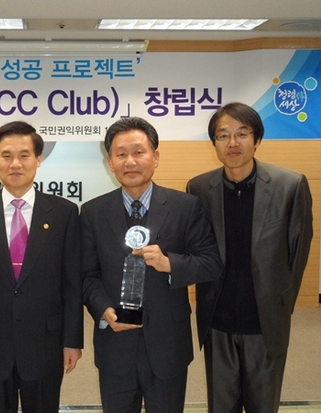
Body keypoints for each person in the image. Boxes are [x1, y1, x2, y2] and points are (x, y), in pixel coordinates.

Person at [81, 116, 223, 413]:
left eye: (139, 152)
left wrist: (169, 263)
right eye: (121, 154)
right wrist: (103, 310)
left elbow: (210, 263)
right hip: (115, 343)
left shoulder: (185, 206)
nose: (130, 161)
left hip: (168, 342)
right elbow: (87, 275)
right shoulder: (93, 212)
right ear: (110, 162)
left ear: (155, 157)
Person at [186, 102, 313, 413]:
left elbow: (298, 255)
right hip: (217, 322)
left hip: (264, 323)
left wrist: (280, 305)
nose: (233, 143)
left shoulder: (290, 185)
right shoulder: (199, 188)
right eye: (223, 135)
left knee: (263, 406)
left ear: (257, 140)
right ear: (214, 143)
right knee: (221, 406)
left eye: (242, 134)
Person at [0, 120, 83, 413]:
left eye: (24, 155)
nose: (15, 164)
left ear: (38, 159)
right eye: (6, 156)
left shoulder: (64, 212)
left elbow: (72, 283)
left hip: (45, 344)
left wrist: (72, 341)